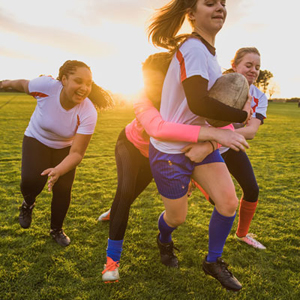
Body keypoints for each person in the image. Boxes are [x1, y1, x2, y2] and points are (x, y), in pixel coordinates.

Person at [100, 52, 249, 283]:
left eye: (161, 82)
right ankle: (111, 262)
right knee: (126, 193)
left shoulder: (188, 94)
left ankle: (156, 234)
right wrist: (211, 136)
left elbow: (227, 127)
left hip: (169, 155)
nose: (155, 88)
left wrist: (210, 144)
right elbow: (158, 128)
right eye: (150, 81)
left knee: (183, 210)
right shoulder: (142, 97)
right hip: (135, 148)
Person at [147, 0, 252, 292]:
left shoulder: (208, 53)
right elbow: (199, 103)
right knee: (177, 217)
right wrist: (243, 116)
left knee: (228, 202)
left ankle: (212, 261)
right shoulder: (192, 48)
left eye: (223, 3)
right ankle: (164, 239)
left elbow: (210, 111)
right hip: (170, 150)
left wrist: (220, 132)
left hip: (201, 141)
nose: (219, 7)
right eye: (210, 3)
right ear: (191, 14)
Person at [0, 60, 113, 246]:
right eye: (78, 81)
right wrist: (3, 84)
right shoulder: (45, 87)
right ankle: (28, 204)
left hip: (66, 149)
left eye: (88, 83)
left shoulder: (88, 112)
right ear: (64, 79)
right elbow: (20, 84)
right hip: (36, 138)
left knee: (63, 189)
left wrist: (59, 170)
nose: (84, 88)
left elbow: (77, 153)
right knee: (31, 181)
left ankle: (56, 230)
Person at [191, 47, 268, 249]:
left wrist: (221, 138)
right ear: (235, 66)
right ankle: (195, 180)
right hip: (206, 147)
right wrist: (213, 139)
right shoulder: (217, 83)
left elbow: (251, 132)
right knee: (222, 201)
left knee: (252, 189)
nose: (253, 70)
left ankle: (242, 235)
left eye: (257, 67)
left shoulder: (260, 97)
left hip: (227, 147)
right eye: (248, 65)